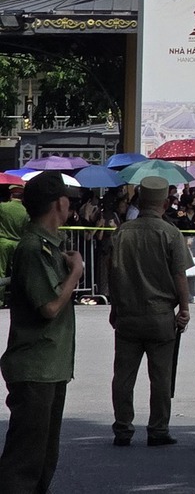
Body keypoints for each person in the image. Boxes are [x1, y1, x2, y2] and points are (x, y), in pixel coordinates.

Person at [0, 171, 84, 494]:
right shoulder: (33, 249)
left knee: (44, 459)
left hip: (50, 367)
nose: (69, 206)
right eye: (66, 199)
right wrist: (75, 273)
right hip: (35, 367)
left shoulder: (48, 247)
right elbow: (49, 307)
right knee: (24, 461)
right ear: (57, 204)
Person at [104, 176, 193, 448]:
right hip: (160, 314)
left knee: (123, 376)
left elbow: (113, 272)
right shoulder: (170, 233)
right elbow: (180, 275)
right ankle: (158, 429)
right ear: (165, 203)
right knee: (161, 376)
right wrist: (185, 308)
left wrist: (115, 307)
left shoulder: (122, 232)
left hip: (128, 314)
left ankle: (122, 428)